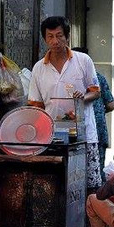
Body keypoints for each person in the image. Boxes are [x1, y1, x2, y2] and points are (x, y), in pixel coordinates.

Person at [28, 16, 103, 191]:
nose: (55, 41)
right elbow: (35, 105)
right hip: (53, 136)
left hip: (84, 134)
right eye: (50, 36)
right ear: (45, 39)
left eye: (59, 35)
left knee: (88, 186)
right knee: (57, 186)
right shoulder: (39, 68)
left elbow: (96, 92)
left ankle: (88, 218)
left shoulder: (83, 60)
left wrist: (81, 99)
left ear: (67, 37)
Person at [72, 47, 114, 183]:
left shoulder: (72, 79)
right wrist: (100, 111)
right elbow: (111, 104)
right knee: (97, 172)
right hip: (98, 129)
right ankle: (96, 201)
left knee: (77, 174)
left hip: (81, 132)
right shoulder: (99, 77)